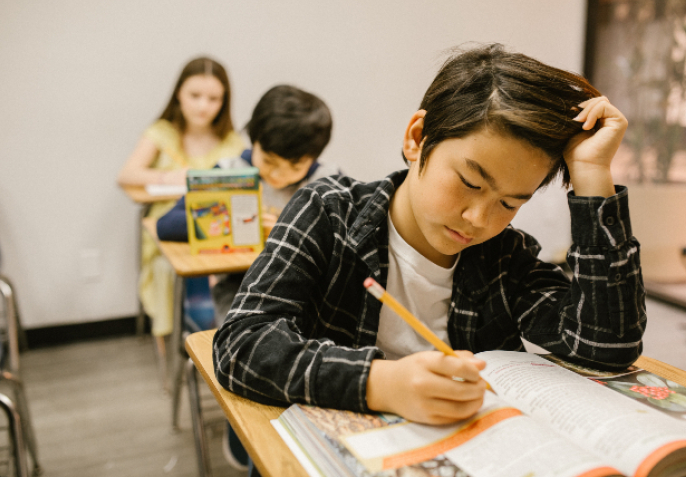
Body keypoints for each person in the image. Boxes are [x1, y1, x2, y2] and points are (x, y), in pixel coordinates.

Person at [213, 43, 647, 428]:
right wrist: (380, 383)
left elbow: (605, 345)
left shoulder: (502, 256)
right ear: (417, 139)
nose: (479, 218)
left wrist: (592, 174)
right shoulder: (328, 213)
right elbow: (242, 344)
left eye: (510, 203)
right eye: (470, 183)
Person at [156, 84, 336, 473]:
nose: (278, 174)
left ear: (313, 159)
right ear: (252, 140)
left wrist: (293, 228)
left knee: (318, 347)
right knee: (251, 352)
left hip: (309, 295)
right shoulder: (230, 174)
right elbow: (167, 225)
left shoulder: (325, 188)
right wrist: (228, 220)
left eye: (294, 166)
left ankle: (310, 439)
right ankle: (244, 434)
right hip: (240, 292)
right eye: (269, 160)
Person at [117, 57, 243, 338]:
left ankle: (218, 347)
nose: (203, 106)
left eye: (213, 98)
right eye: (195, 95)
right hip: (168, 233)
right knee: (166, 270)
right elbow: (127, 176)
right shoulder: (161, 133)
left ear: (224, 101)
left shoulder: (232, 142)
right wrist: (167, 179)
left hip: (218, 235)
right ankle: (172, 358)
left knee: (226, 275)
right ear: (179, 94)